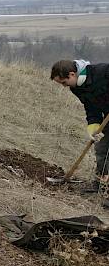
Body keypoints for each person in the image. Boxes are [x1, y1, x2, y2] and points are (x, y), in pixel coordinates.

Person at [51, 59, 109, 198]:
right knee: (102, 148)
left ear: (72, 74)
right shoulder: (76, 87)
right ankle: (102, 184)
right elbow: (91, 107)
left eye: (64, 83)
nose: (65, 86)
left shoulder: (103, 72)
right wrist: (93, 125)